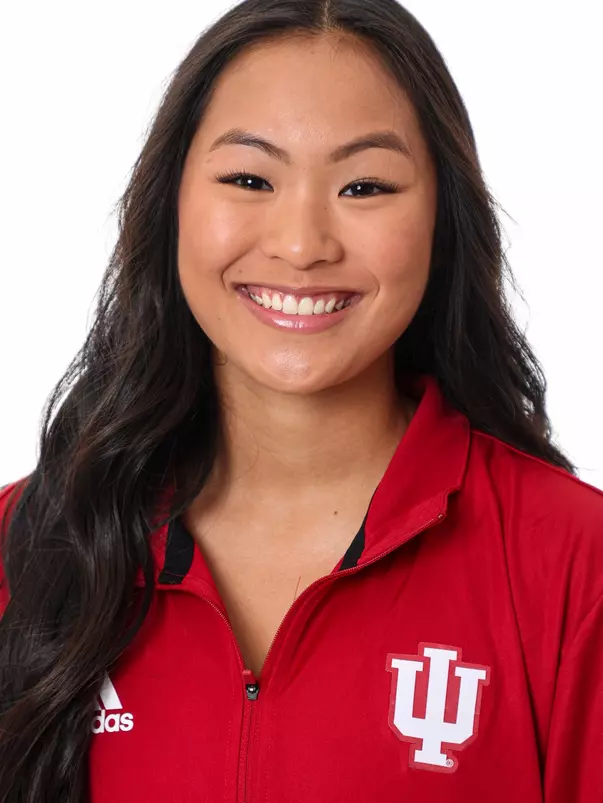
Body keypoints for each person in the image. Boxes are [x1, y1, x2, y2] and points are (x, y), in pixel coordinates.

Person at [1, 0, 601, 800]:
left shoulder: (571, 560)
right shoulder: (25, 546)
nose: (301, 244)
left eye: (364, 185)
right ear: (170, 203)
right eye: (249, 178)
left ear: (441, 222)